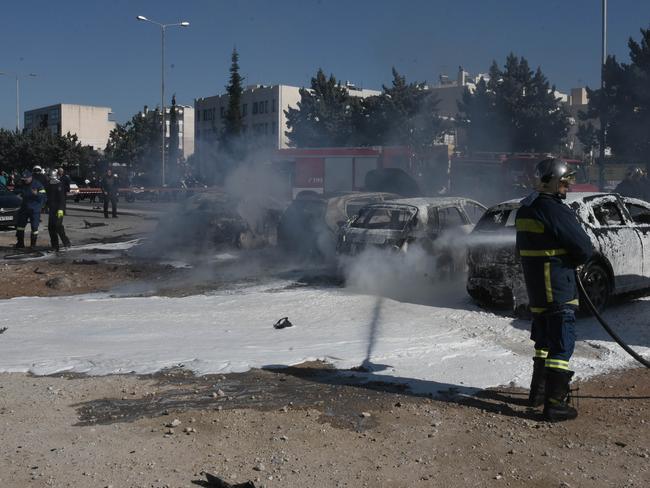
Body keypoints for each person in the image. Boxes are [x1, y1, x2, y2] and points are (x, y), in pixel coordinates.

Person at [515, 158, 593, 422]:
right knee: (561, 345)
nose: (567, 187)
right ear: (550, 182)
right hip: (557, 288)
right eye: (563, 182)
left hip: (537, 291)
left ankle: (537, 394)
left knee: (544, 344)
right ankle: (554, 404)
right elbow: (583, 247)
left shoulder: (526, 207)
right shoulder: (553, 209)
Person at [14, 170, 47, 248]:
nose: (25, 180)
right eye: (24, 179)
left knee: (34, 227)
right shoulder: (23, 184)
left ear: (30, 177)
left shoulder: (38, 184)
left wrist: (37, 194)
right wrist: (18, 195)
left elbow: (44, 196)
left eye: (26, 179)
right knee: (20, 226)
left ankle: (33, 245)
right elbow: (19, 191)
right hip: (24, 208)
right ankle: (20, 243)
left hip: (34, 209)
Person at [46, 170, 71, 251]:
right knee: (51, 227)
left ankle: (66, 242)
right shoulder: (49, 185)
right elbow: (48, 197)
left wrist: (61, 209)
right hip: (52, 209)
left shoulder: (59, 184)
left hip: (59, 209)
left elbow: (62, 198)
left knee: (58, 226)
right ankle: (55, 246)